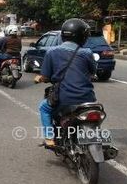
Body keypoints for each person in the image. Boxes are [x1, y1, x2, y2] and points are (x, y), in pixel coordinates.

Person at [34, 18, 96, 147]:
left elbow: (45, 76)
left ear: (63, 35)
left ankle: (49, 138)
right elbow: (92, 72)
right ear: (83, 37)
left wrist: (40, 78)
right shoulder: (87, 53)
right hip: (88, 99)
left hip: (63, 99)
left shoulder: (51, 52)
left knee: (44, 107)